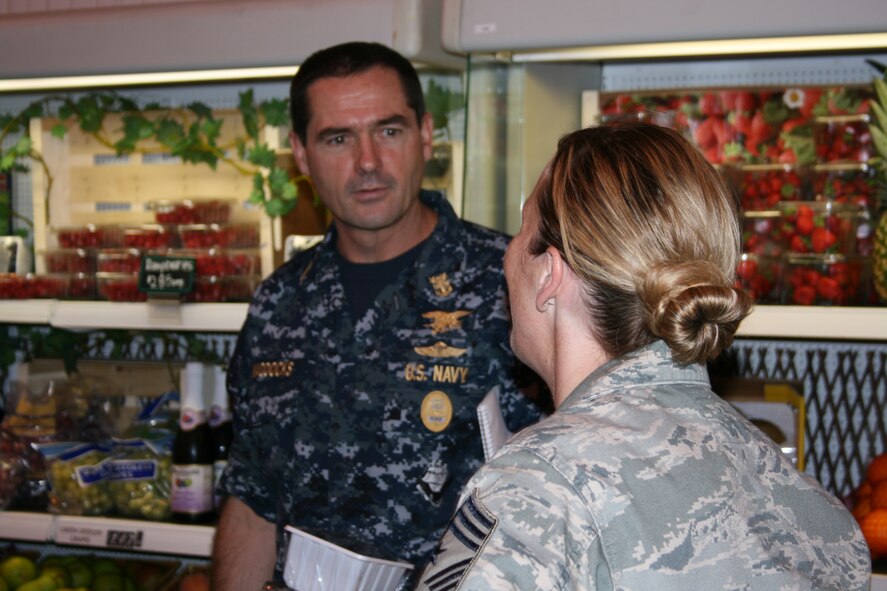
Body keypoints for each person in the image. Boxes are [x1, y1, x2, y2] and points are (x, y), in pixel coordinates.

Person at [415, 122, 872, 590]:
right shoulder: (813, 510)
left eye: (520, 229)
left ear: (549, 273)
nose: (507, 254)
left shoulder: (538, 488)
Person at [211, 41, 546, 590]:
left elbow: (564, 498)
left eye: (389, 131)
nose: (367, 162)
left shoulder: (513, 285)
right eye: (338, 138)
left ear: (426, 134)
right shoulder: (278, 303)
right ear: (300, 153)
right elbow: (252, 501)